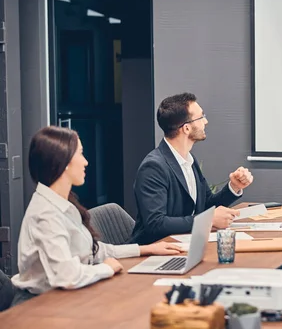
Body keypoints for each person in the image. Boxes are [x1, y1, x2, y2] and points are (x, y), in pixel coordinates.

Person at [10, 126, 182, 307]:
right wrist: (106, 268)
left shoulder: (63, 203)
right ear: (64, 161)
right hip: (38, 306)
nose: (85, 162)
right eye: (80, 154)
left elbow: (94, 251)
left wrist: (145, 249)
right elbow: (66, 275)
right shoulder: (45, 214)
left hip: (64, 297)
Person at [130, 93, 254, 245]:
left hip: (184, 244)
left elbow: (206, 204)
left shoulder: (189, 160)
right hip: (155, 249)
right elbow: (156, 224)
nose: (206, 122)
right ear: (187, 128)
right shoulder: (154, 167)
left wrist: (234, 187)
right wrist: (207, 220)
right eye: (201, 117)